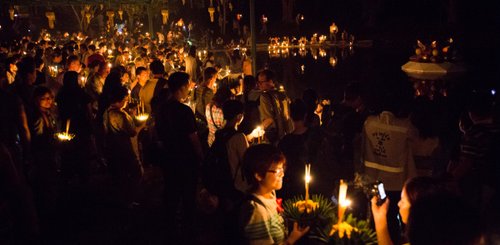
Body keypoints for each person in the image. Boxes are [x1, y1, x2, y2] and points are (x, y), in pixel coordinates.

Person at [156, 72, 204, 241]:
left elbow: (158, 132)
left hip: (168, 157)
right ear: (183, 87)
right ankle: (188, 229)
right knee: (188, 194)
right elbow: (193, 137)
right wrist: (201, 156)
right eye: (188, 85)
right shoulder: (184, 110)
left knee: (171, 191)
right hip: (185, 158)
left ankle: (170, 226)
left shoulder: (162, 108)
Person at [239, 144, 310, 244]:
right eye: (277, 171)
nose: (283, 174)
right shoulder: (256, 211)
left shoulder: (270, 194)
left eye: (282, 169)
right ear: (259, 175)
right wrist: (291, 239)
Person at [103, 85, 144, 208]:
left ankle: (121, 199)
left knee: (120, 175)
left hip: (112, 148)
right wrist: (142, 124)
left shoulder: (106, 111)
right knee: (135, 172)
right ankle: (129, 199)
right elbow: (132, 132)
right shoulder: (120, 115)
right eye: (125, 99)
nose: (127, 101)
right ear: (120, 99)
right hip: (124, 148)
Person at [257, 69, 293, 144]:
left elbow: (269, 119)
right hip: (287, 135)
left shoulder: (264, 97)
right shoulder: (283, 95)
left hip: (274, 138)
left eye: (261, 82)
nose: (259, 84)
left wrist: (257, 131)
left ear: (270, 81)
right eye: (258, 82)